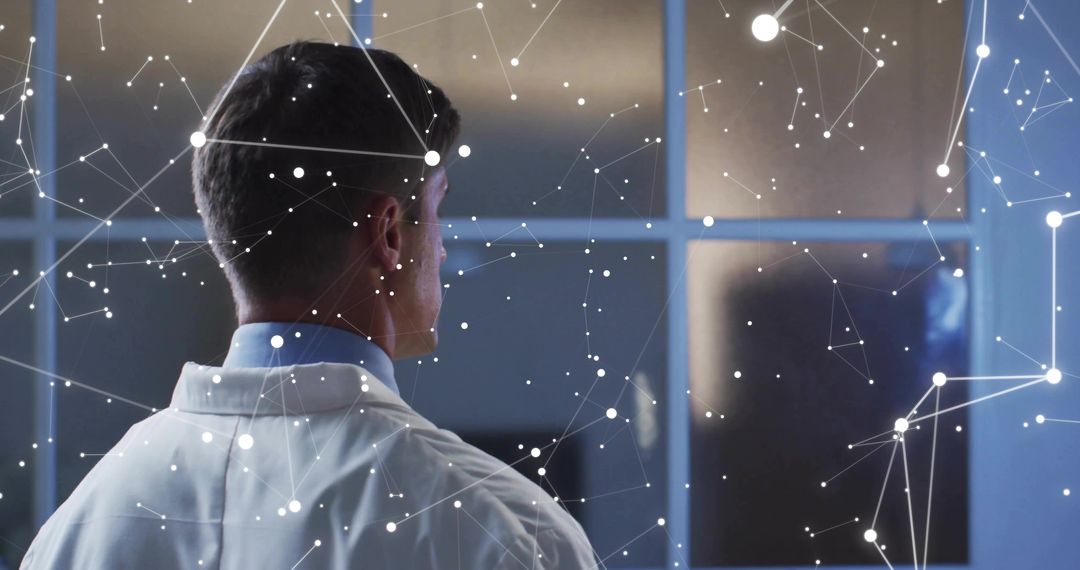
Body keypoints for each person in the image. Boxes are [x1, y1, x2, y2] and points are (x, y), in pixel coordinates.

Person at [22, 41, 596, 569]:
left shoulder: (77, 529)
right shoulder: (507, 534)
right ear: (389, 234)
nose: (443, 248)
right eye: (438, 209)